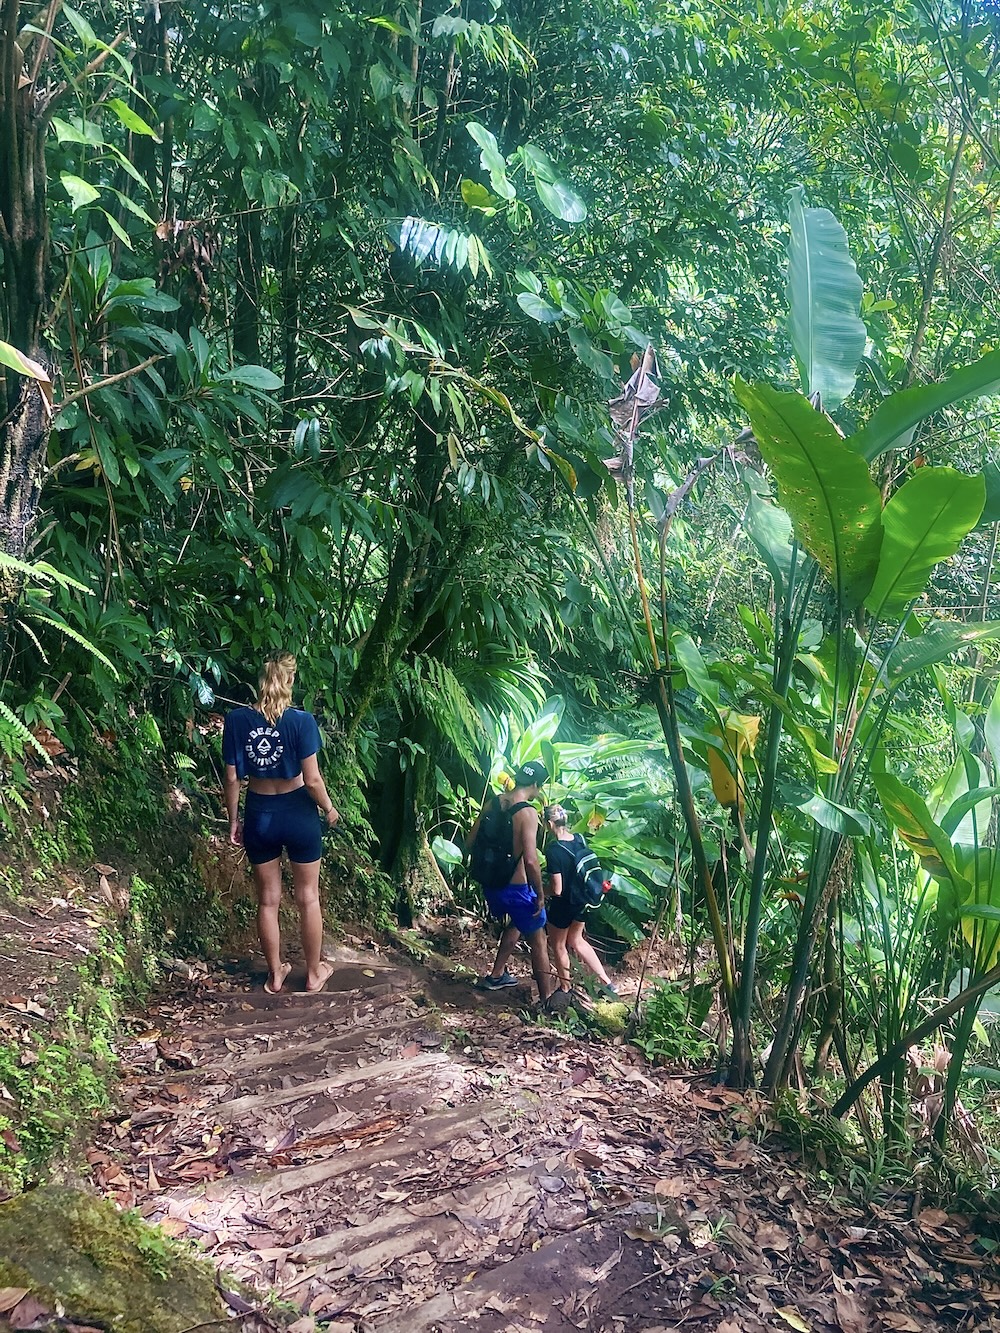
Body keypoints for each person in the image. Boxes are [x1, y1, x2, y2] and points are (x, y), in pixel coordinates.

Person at [223, 652, 339, 995]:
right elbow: (313, 780)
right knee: (308, 898)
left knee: (268, 900)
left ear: (261, 680)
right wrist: (330, 810)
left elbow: (231, 777)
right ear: (289, 681)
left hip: (260, 813)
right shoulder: (301, 722)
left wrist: (234, 819)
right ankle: (314, 974)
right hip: (300, 812)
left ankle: (275, 975)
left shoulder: (237, 720)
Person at [467, 760, 555, 1003]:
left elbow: (470, 841)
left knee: (516, 923)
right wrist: (539, 894)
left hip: (491, 885)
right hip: (516, 889)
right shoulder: (527, 813)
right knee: (539, 940)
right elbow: (530, 860)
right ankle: (547, 1000)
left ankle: (497, 975)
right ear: (537, 785)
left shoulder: (494, 802)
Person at [543, 804, 617, 997]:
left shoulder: (553, 850)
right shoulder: (580, 839)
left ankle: (566, 988)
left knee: (559, 945)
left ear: (549, 824)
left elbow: (557, 889)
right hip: (584, 901)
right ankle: (607, 983)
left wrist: (540, 891)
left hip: (564, 905)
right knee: (577, 940)